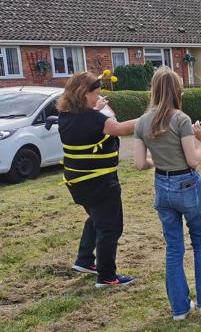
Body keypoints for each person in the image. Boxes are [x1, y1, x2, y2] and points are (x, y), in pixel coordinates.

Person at [133, 67, 201, 320]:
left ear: (152, 90)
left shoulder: (142, 122)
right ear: (178, 90)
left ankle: (179, 309)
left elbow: (140, 163)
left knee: (174, 248)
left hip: (161, 187)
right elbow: (193, 159)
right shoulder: (181, 119)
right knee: (200, 241)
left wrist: (160, 161)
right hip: (186, 184)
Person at [57, 71, 137, 287]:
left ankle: (84, 260)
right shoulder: (94, 119)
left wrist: (96, 109)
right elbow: (120, 129)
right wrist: (153, 116)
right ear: (85, 93)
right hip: (100, 183)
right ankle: (107, 276)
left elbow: (84, 122)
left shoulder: (65, 116)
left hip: (76, 183)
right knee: (110, 227)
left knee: (96, 218)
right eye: (96, 93)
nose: (97, 97)